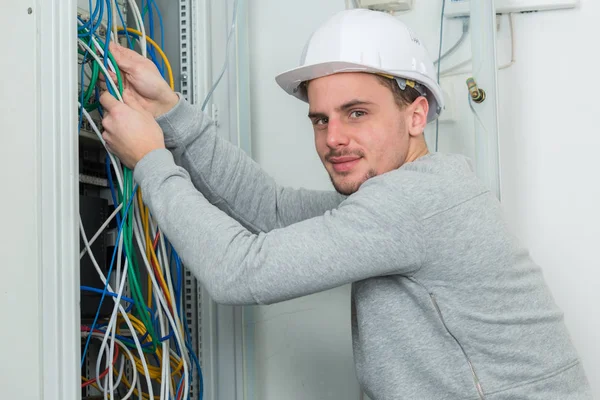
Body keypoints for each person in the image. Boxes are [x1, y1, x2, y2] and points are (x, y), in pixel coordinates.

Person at [98, 9, 592, 400]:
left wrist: (151, 160)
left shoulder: (415, 202)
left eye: (357, 113)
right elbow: (271, 210)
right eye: (320, 119)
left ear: (416, 114)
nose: (334, 138)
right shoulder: (412, 193)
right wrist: (171, 113)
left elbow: (237, 271)